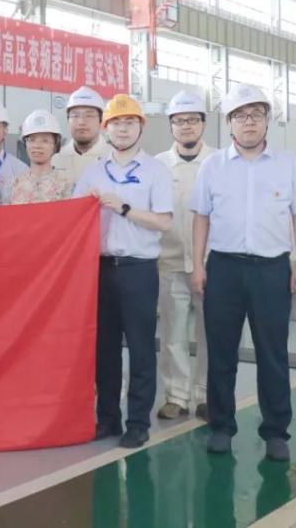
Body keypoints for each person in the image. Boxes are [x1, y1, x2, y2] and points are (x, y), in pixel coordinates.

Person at [191, 83, 296, 462]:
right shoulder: (212, 166)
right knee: (221, 351)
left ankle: (276, 431)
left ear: (267, 121)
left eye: (256, 114)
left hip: (271, 270)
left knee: (273, 353)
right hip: (224, 269)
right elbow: (201, 218)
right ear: (229, 123)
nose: (249, 122)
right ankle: (221, 426)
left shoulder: (289, 164)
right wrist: (198, 265)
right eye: (241, 115)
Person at [74, 94, 173, 449]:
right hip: (101, 270)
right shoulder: (92, 172)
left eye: (130, 122)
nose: (123, 129)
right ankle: (108, 418)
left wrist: (125, 208)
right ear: (106, 129)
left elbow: (164, 222)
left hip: (138, 269)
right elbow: (72, 219)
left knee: (141, 347)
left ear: (141, 127)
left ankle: (138, 422)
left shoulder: (155, 171)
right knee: (105, 348)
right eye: (116, 123)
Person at [155, 90, 214, 423]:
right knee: (173, 334)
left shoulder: (219, 161)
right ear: (171, 126)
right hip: (171, 262)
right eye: (179, 121)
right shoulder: (158, 165)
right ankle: (176, 396)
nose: (186, 126)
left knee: (210, 335)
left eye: (192, 120)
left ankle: (206, 395)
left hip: (211, 264)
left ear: (203, 123)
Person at [4, 109, 73, 204]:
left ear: (55, 144)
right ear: (25, 144)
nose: (37, 146)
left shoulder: (66, 186)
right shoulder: (13, 185)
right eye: (32, 140)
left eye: (45, 140)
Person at [53, 85, 109, 185]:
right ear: (68, 120)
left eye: (89, 115)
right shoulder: (56, 159)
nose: (81, 121)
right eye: (75, 115)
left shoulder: (114, 157)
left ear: (101, 120)